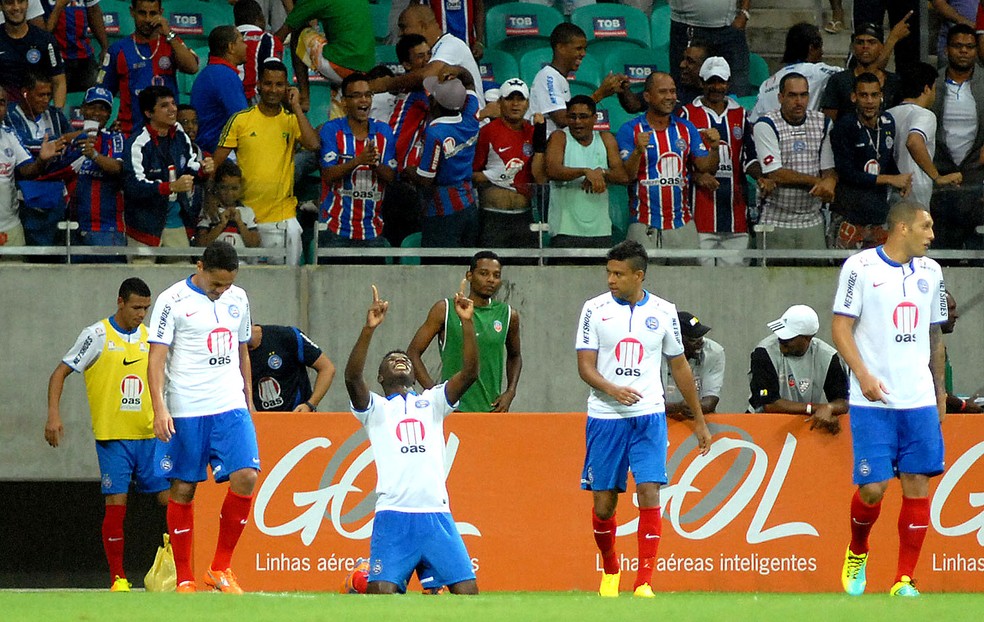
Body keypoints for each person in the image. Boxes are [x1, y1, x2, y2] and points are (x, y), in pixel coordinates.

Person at [577, 240, 711, 598]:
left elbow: (679, 365)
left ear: (639, 275)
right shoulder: (594, 309)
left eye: (618, 273)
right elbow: (585, 367)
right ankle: (610, 569)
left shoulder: (665, 312)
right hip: (606, 416)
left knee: (649, 490)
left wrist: (698, 419)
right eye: (608, 272)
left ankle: (644, 583)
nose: (611, 279)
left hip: (649, 415)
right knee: (604, 506)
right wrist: (612, 389)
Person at [832, 201, 947, 597]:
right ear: (901, 228)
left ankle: (904, 579)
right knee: (873, 489)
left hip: (918, 400)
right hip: (873, 401)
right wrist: (862, 374)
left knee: (917, 483)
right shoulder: (860, 268)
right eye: (926, 226)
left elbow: (935, 336)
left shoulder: (932, 272)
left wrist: (940, 393)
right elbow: (840, 327)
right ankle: (858, 549)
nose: (932, 234)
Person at [344, 283, 479, 595]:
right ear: (380, 377)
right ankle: (358, 584)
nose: (400, 359)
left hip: (436, 513)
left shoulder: (433, 402)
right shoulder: (374, 408)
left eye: (404, 358)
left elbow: (470, 372)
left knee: (469, 595)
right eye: (391, 360)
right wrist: (369, 329)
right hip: (394, 515)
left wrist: (467, 323)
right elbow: (352, 377)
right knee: (381, 594)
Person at [148, 241, 259, 594]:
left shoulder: (238, 299)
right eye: (216, 284)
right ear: (200, 266)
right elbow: (156, 359)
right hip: (186, 406)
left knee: (246, 476)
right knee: (183, 487)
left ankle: (220, 568)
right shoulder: (171, 301)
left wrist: (249, 399)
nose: (221, 291)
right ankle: (184, 578)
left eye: (227, 284)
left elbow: (242, 351)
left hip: (229, 403)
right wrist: (159, 408)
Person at [45, 277, 169, 592]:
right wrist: (54, 415)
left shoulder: (151, 337)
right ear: (120, 302)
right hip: (114, 438)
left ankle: (184, 572)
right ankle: (118, 578)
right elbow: (60, 372)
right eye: (136, 307)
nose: (142, 314)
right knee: (117, 502)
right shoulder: (97, 335)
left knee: (172, 499)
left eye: (146, 308)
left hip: (150, 435)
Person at [213, 59, 320, 266]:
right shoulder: (240, 120)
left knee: (288, 284)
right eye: (268, 84)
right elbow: (216, 163)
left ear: (287, 88)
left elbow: (313, 144)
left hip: (282, 218)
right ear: (258, 86)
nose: (273, 89)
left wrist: (296, 106)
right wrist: (210, 196)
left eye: (279, 85)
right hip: (244, 217)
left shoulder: (291, 120)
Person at [617, 72, 719, 263]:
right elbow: (628, 176)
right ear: (647, 97)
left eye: (673, 91)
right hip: (643, 223)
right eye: (663, 92)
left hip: (681, 223)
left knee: (686, 286)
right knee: (642, 285)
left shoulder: (686, 129)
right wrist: (638, 151)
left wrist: (714, 149)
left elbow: (706, 167)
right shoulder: (629, 130)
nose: (670, 97)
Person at [681, 57, 772, 266]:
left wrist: (760, 177)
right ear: (702, 83)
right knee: (700, 281)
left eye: (721, 81)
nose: (717, 87)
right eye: (711, 81)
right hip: (699, 215)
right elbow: (680, 162)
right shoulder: (687, 114)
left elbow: (749, 157)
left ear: (728, 82)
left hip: (735, 214)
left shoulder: (740, 114)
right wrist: (697, 176)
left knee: (734, 281)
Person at [407, 250, 522, 413]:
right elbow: (412, 353)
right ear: (469, 276)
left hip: (491, 410)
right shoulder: (445, 309)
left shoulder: (509, 314)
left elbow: (515, 355)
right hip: (453, 412)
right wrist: (437, 395)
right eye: (484, 273)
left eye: (496, 275)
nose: (491, 279)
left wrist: (510, 392)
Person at [122, 85, 212, 261]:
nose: (172, 109)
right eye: (164, 106)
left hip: (174, 219)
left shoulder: (179, 134)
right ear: (149, 113)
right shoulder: (138, 143)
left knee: (181, 275)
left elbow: (190, 166)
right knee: (142, 277)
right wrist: (169, 187)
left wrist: (203, 169)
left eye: (173, 103)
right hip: (143, 224)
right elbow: (133, 186)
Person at [752, 72, 836, 255]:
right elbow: (775, 173)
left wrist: (830, 181)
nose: (799, 101)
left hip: (812, 220)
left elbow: (828, 168)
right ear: (780, 97)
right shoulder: (766, 124)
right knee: (771, 282)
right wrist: (816, 182)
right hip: (776, 220)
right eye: (792, 95)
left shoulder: (823, 123)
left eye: (803, 95)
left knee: (815, 281)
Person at [317, 71, 397, 253]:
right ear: (344, 101)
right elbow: (328, 175)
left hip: (372, 230)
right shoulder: (332, 130)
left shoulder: (384, 132)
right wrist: (358, 161)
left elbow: (391, 177)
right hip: (335, 229)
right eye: (357, 96)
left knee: (372, 283)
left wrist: (374, 164)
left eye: (368, 95)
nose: (364, 101)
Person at [830, 73, 911, 250]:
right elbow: (846, 172)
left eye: (874, 95)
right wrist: (889, 179)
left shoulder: (888, 123)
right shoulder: (845, 126)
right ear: (854, 97)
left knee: (879, 273)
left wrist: (900, 180)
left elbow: (886, 161)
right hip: (849, 214)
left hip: (878, 214)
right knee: (845, 272)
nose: (869, 101)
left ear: (881, 96)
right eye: (863, 95)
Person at [98, 0, 200, 136]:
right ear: (132, 12)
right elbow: (103, 93)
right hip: (131, 133)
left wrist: (169, 33)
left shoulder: (171, 43)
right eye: (142, 13)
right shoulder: (118, 50)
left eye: (153, 13)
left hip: (168, 134)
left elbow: (192, 68)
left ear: (161, 13)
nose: (147, 19)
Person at [748, 304, 849, 434]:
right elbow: (770, 403)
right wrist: (817, 408)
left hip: (804, 425)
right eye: (780, 337)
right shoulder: (764, 353)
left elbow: (843, 401)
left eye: (788, 339)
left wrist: (829, 408)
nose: (781, 342)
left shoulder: (827, 356)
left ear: (808, 338)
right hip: (763, 423)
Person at [406, 74, 480, 248]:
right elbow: (469, 82)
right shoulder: (470, 118)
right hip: (469, 204)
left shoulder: (435, 132)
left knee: (438, 268)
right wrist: (456, 72)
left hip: (443, 210)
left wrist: (408, 170)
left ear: (435, 103)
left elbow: (426, 179)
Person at [545, 95, 628, 250]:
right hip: (564, 230)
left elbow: (622, 176)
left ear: (595, 118)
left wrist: (601, 173)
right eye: (572, 117)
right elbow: (552, 170)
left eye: (583, 117)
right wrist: (585, 172)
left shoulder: (605, 138)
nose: (577, 122)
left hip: (601, 230)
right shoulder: (560, 136)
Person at [929, 24, 984, 252]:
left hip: (976, 174)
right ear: (946, 50)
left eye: (969, 47)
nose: (964, 51)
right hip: (940, 174)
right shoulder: (932, 83)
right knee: (941, 249)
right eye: (958, 46)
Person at [370, 4, 485, 110]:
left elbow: (427, 76)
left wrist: (386, 84)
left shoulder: (451, 44)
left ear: (422, 26)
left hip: (471, 125)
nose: (400, 33)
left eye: (403, 27)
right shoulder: (433, 50)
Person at [472, 78, 544, 249]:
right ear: (500, 102)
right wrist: (492, 176)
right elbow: (471, 175)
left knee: (528, 272)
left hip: (524, 216)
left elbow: (540, 178)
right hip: (492, 217)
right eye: (510, 99)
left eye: (521, 99)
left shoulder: (533, 133)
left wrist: (540, 139)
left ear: (528, 104)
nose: (515, 104)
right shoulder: (487, 132)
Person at [6, 71, 73, 247]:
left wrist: (65, 140)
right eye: (41, 95)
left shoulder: (55, 115)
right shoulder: (9, 116)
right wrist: (58, 143)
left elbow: (71, 140)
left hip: (55, 192)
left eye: (49, 95)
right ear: (25, 93)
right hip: (24, 196)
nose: (46, 100)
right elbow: (25, 148)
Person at [887, 62, 961, 210]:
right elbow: (914, 141)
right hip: (914, 194)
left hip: (890, 191)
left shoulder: (888, 114)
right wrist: (937, 177)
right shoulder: (924, 114)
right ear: (927, 89)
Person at [279, 0, 374, 109]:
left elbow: (281, 35)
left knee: (299, 31)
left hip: (340, 65)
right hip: (367, 68)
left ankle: (304, 98)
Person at [0, 84, 57, 254]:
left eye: (1, 103)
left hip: (9, 229)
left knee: (18, 280)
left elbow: (27, 171)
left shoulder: (9, 136)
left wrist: (41, 161)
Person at [71, 85, 127, 258]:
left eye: (103, 108)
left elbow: (118, 167)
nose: (97, 112)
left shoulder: (116, 138)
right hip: (73, 227)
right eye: (92, 106)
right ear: (82, 109)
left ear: (110, 114)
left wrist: (94, 155)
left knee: (111, 282)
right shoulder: (70, 139)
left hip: (107, 229)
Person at [749, 23, 841, 122]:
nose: (822, 52)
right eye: (820, 47)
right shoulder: (818, 72)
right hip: (805, 134)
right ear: (811, 48)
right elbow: (850, 75)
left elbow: (753, 120)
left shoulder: (767, 84)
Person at [667, 0, 751, 98]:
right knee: (685, 90)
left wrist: (744, 13)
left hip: (729, 28)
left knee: (737, 87)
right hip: (688, 28)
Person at [820, 24, 902, 121]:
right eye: (860, 42)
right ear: (853, 47)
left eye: (871, 42)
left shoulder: (895, 82)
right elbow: (828, 122)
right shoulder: (838, 80)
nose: (865, 46)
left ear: (881, 47)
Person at [248, 324, 335, 412]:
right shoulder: (236, 353)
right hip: (267, 421)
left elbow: (327, 368)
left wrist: (310, 405)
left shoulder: (286, 335)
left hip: (299, 417)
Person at [190, 25, 248, 155]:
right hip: (218, 152)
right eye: (242, 41)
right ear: (231, 47)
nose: (246, 46)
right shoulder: (224, 75)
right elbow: (243, 120)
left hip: (208, 148)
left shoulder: (211, 72)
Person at [0, 0, 65, 107]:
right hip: (4, 114)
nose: (16, 7)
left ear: (27, 4)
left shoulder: (45, 40)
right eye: (9, 3)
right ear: (1, 6)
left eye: (20, 2)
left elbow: (58, 82)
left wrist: (57, 115)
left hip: (36, 113)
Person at [662, 311, 724, 420]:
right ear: (676, 340)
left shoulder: (714, 352)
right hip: (659, 419)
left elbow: (711, 396)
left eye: (701, 338)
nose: (700, 343)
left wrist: (697, 407)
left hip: (697, 418)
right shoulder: (654, 353)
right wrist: (677, 407)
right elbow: (647, 404)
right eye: (692, 340)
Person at [41, 0, 107, 93]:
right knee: (54, 101)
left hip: (85, 56)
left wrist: (104, 46)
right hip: (54, 58)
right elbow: (43, 34)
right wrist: (59, 6)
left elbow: (93, 11)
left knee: (92, 99)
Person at [195, 159, 260, 250]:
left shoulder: (247, 212)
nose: (229, 193)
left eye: (234, 188)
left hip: (241, 262)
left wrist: (240, 223)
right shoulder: (210, 210)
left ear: (241, 188)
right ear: (216, 187)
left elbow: (254, 244)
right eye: (223, 188)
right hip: (214, 261)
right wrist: (221, 225)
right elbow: (200, 244)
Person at [940, 290, 983, 413]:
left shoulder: (939, 345)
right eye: (950, 309)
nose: (956, 315)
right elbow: (934, 391)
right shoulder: (926, 347)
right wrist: (963, 405)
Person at [234, 0, 283, 104]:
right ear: (260, 18)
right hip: (256, 99)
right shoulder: (268, 39)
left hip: (229, 97)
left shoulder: (226, 38)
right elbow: (273, 73)